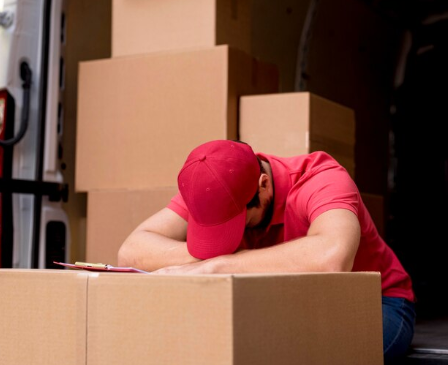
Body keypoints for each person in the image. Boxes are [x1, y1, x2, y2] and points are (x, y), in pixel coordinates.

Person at [118, 139, 415, 362]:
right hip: (290, 301)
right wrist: (214, 258)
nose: (223, 243)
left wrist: (219, 265)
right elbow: (131, 251)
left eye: (236, 224)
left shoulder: (321, 179)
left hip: (377, 302)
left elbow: (331, 257)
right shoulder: (211, 186)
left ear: (263, 186)